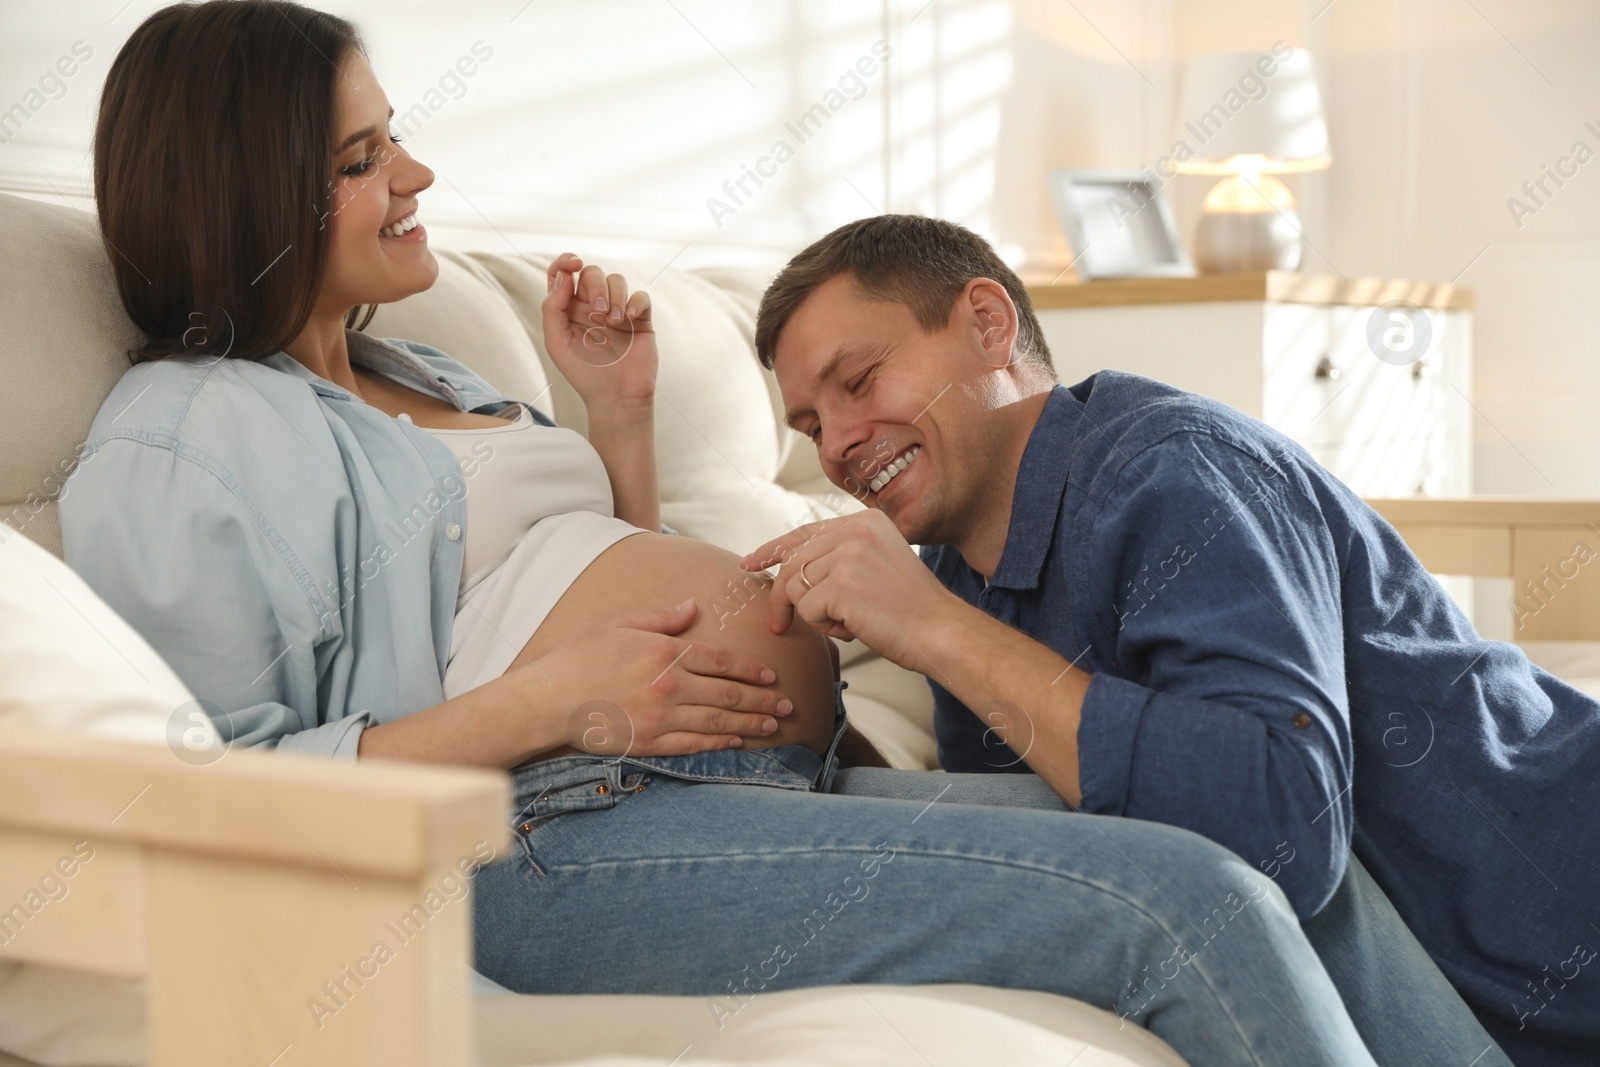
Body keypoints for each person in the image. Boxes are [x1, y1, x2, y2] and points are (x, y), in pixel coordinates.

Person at [59, 5, 1437, 1065]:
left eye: (395, 132)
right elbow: (221, 793)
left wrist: (618, 424)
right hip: (534, 845)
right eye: (363, 159)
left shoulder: (428, 379)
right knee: (1184, 899)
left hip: (739, 787)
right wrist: (555, 698)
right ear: (247, 193)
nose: (417, 170)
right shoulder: (185, 433)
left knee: (1232, 840)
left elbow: (586, 594)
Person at [741, 213, 1600, 1066]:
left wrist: (933, 626)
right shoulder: (963, 574)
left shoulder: (1172, 467)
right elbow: (1018, 835)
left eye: (858, 380)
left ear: (987, 324)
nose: (841, 446)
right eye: (812, 427)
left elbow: (1282, 827)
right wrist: (811, 724)